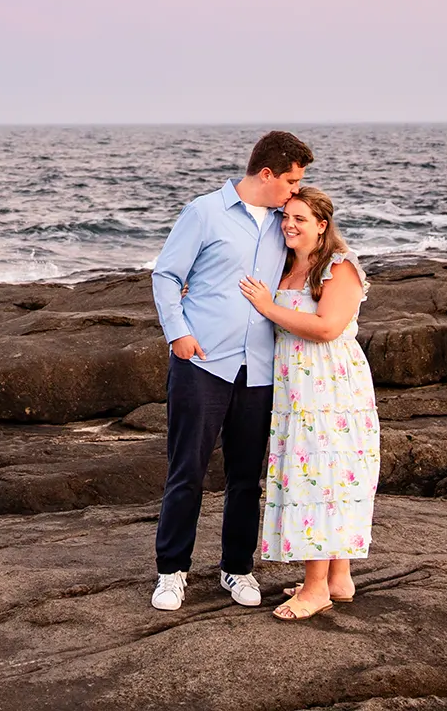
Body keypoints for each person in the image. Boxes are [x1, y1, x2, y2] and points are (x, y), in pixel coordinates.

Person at [148, 129, 314, 611]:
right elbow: (167, 275)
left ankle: (237, 570)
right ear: (267, 174)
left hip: (261, 368)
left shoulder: (286, 221)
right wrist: (177, 333)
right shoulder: (204, 212)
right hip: (203, 362)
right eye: (291, 181)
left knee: (246, 478)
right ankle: (171, 572)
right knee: (187, 472)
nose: (295, 191)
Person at [239, 185, 380, 620]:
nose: (289, 225)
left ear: (322, 225)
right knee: (324, 474)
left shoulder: (339, 268)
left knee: (321, 476)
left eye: (300, 219)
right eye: (285, 217)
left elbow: (327, 328)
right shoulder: (285, 266)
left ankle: (315, 588)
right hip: (295, 386)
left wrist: (267, 307)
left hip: (329, 388)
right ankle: (338, 579)